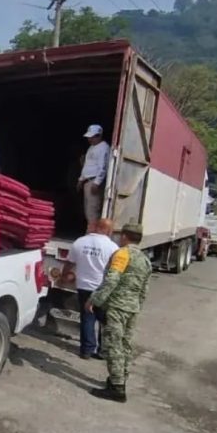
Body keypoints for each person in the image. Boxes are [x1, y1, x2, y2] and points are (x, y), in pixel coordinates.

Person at [85, 223, 152, 403]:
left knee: (113, 345)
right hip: (132, 309)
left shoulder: (122, 254)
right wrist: (137, 305)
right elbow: (144, 289)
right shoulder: (145, 260)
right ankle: (120, 378)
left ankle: (117, 388)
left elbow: (112, 279)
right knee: (125, 346)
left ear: (124, 236)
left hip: (116, 307)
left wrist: (95, 300)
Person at [62, 218, 119, 360]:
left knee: (87, 318)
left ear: (96, 227)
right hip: (103, 288)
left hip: (84, 286)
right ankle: (102, 351)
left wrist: (64, 275)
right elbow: (116, 270)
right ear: (108, 230)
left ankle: (86, 350)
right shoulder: (113, 248)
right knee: (104, 320)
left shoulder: (80, 242)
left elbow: (69, 263)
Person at [78, 124, 111, 224]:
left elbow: (103, 167)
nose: (90, 139)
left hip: (93, 182)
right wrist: (81, 180)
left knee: (93, 211)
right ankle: (90, 232)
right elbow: (87, 166)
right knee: (88, 211)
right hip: (87, 182)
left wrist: (97, 182)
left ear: (99, 136)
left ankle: (91, 233)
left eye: (92, 137)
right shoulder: (91, 148)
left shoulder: (104, 148)